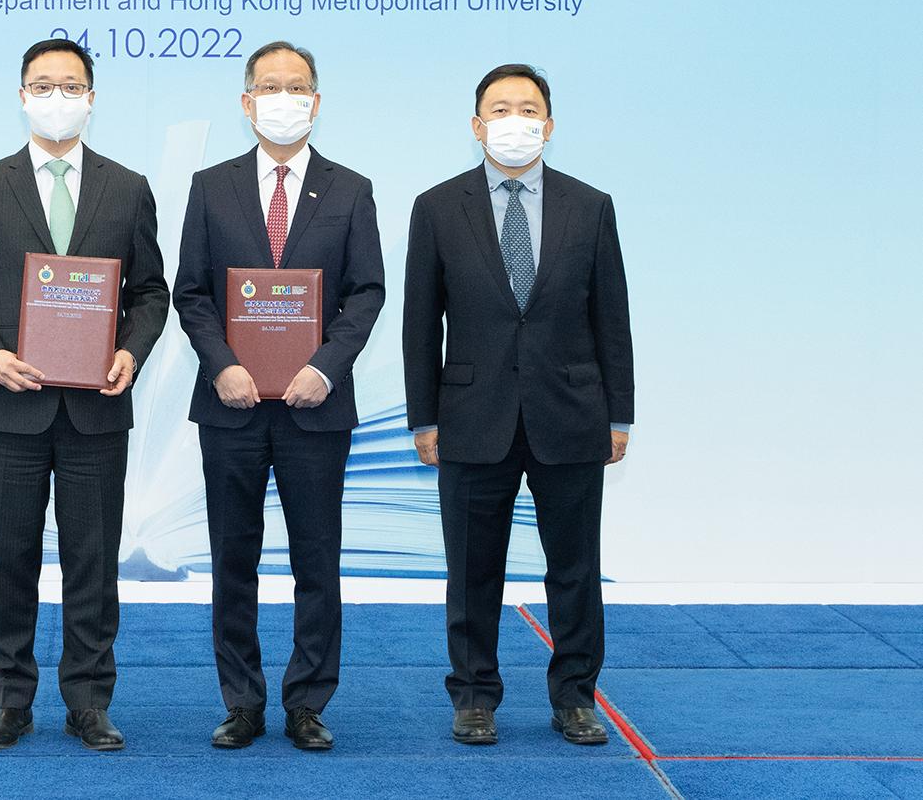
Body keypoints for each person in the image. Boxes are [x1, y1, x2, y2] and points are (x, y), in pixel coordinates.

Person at [0, 38, 169, 751]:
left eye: (70, 85)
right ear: (21, 94)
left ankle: (89, 700)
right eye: (43, 84)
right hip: (9, 405)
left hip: (96, 408)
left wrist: (130, 349)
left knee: (92, 560)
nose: (57, 97)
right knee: (10, 556)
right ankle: (10, 698)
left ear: (91, 97)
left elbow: (150, 291)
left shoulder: (126, 186)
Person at [403, 63, 633, 747]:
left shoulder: (590, 205)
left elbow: (611, 317)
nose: (513, 118)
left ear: (548, 124)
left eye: (526, 107)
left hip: (570, 414)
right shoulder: (436, 206)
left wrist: (618, 413)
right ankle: (473, 694)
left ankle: (574, 697)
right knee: (472, 568)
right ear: (476, 125)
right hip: (472, 418)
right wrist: (424, 416)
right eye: (498, 108)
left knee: (573, 567)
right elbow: (421, 322)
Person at [172, 41, 385, 751]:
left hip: (315, 406)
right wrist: (222, 363)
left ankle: (306, 701)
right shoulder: (212, 185)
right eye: (269, 86)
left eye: (297, 87)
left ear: (316, 102)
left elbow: (365, 292)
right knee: (233, 557)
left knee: (315, 561)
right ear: (246, 101)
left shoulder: (350, 189)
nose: (283, 98)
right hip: (229, 405)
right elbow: (192, 292)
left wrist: (325, 365)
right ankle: (240, 700)